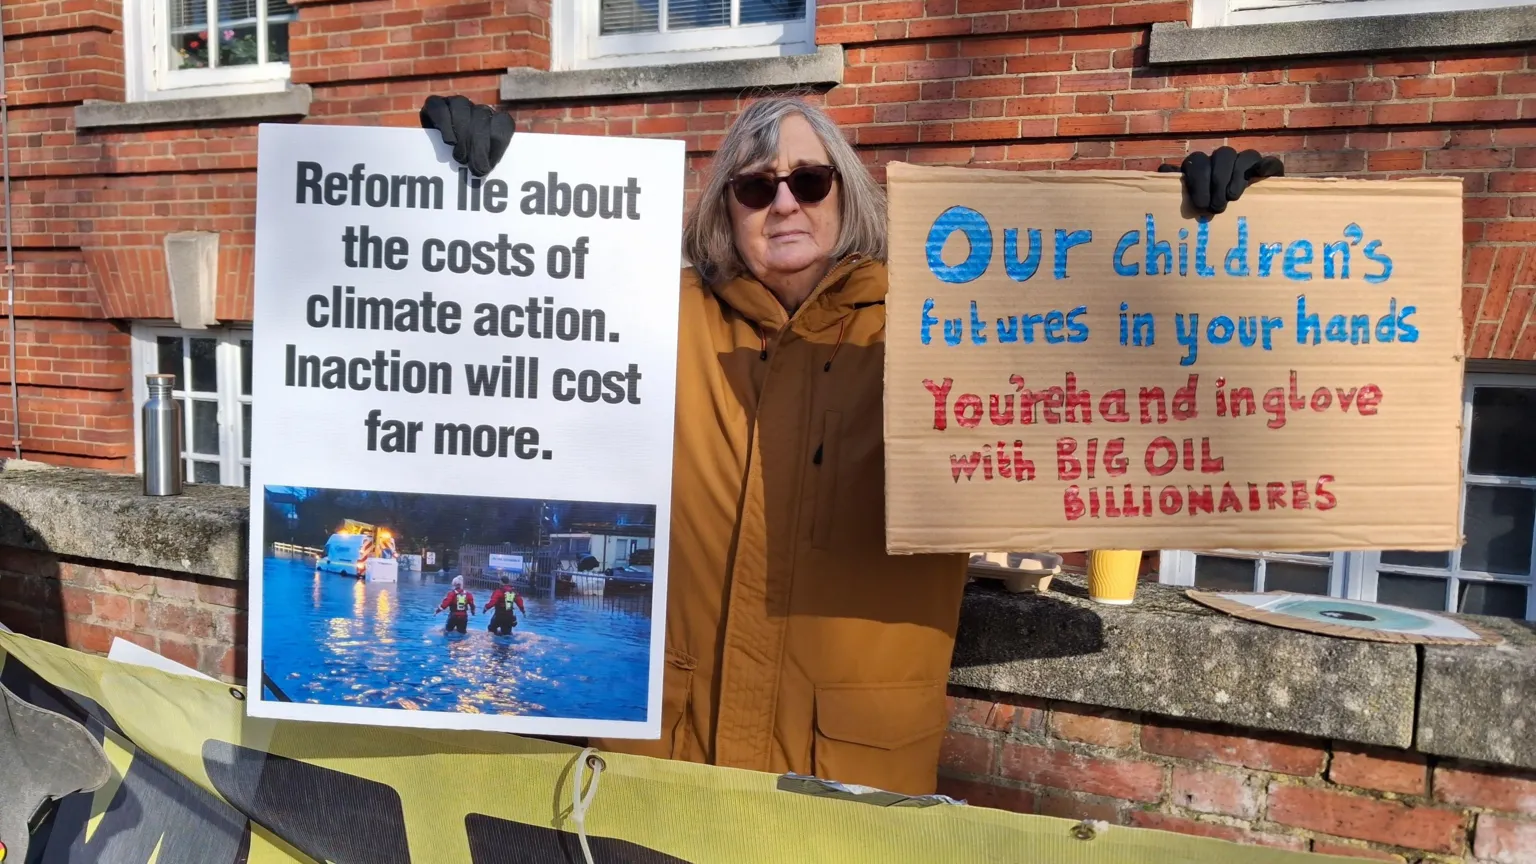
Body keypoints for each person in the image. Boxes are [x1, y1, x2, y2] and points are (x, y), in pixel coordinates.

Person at [418, 93, 1284, 795]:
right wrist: (480, 202)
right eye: (754, 188)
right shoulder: (652, 321)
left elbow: (1114, 397)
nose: (783, 201)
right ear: (725, 209)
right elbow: (495, 336)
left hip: (850, 776)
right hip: (663, 765)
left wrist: (1182, 244)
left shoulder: (937, 326)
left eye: (809, 179)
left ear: (846, 194)